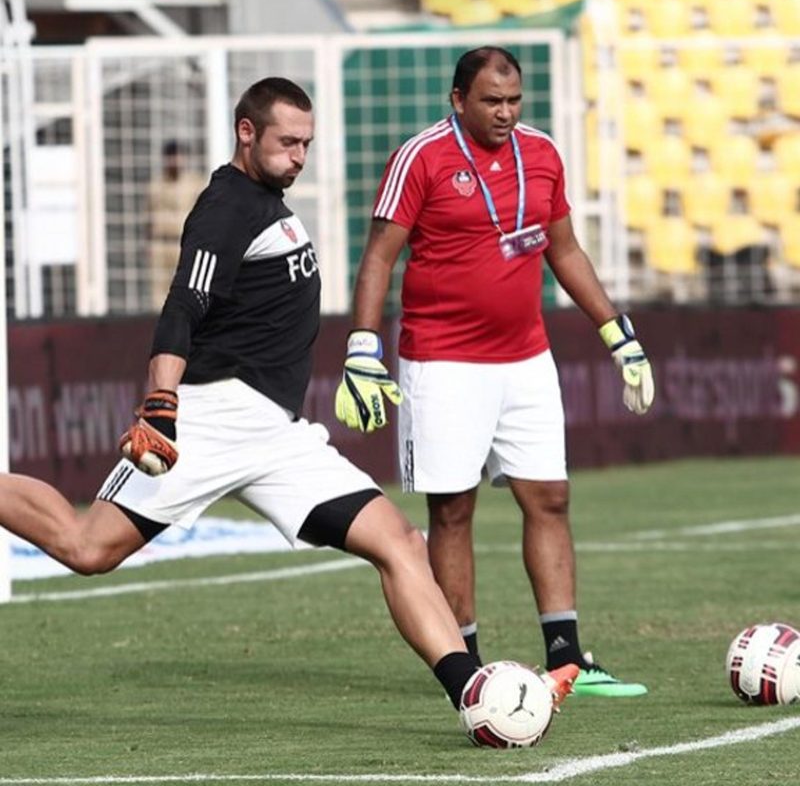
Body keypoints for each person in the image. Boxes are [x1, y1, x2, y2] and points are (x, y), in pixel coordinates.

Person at [0, 77, 578, 724]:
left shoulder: (267, 199)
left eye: (306, 143)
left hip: (276, 435)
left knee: (399, 542)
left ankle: (474, 695)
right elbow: (183, 306)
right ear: (246, 133)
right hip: (214, 419)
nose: (299, 156)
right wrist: (161, 399)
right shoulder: (227, 207)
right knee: (86, 548)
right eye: (287, 142)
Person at [335, 47, 655, 697]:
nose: (506, 113)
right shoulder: (420, 157)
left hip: (526, 359)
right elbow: (379, 258)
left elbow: (564, 250)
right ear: (458, 100)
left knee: (551, 499)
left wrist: (617, 333)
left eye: (513, 101)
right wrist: (362, 346)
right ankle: (468, 665)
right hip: (442, 363)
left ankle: (567, 659)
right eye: (491, 102)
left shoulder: (542, 153)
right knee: (453, 511)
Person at [146, 139, 206, 310]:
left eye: (178, 156)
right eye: (171, 157)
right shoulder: (156, 186)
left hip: (184, 243)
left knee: (185, 288)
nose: (174, 161)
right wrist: (149, 243)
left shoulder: (195, 184)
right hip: (161, 243)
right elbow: (149, 217)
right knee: (159, 292)